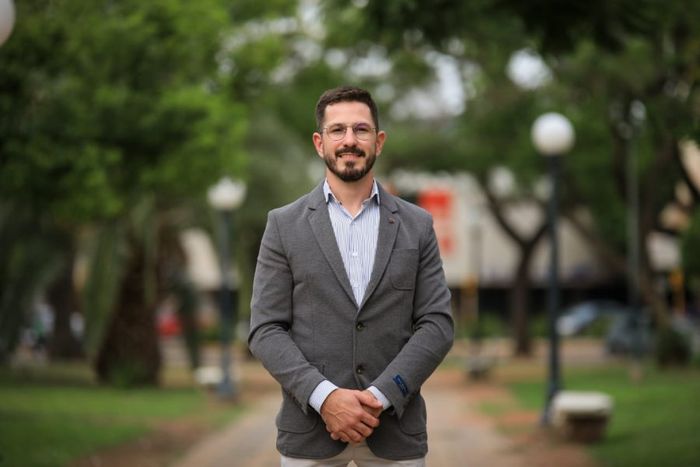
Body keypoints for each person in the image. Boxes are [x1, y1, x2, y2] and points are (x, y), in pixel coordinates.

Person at [248, 85, 454, 466]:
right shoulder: (283, 226)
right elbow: (266, 329)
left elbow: (437, 325)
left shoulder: (417, 225)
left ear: (379, 141)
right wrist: (325, 397)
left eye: (361, 130)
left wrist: (381, 396)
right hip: (310, 431)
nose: (349, 140)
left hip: (395, 429)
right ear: (319, 142)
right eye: (337, 130)